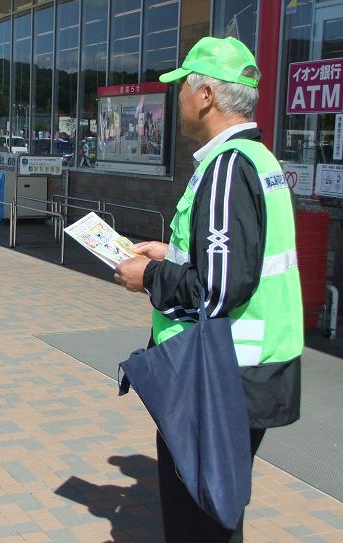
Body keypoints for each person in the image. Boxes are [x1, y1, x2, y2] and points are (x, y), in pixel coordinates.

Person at [114, 36, 303, 542]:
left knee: (198, 521)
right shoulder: (260, 159)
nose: (177, 97)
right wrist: (171, 253)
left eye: (182, 87)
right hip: (251, 367)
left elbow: (218, 289)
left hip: (219, 375)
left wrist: (147, 276)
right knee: (219, 508)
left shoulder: (225, 169)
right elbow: (238, 259)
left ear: (206, 97)